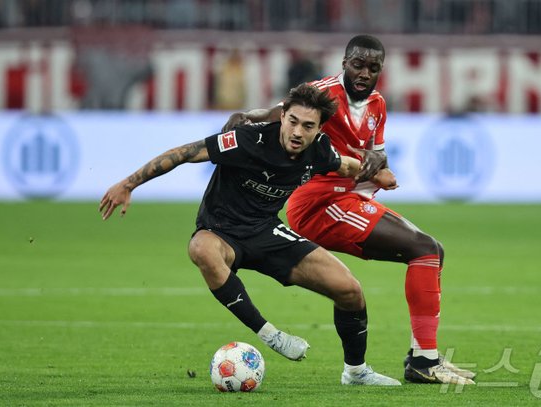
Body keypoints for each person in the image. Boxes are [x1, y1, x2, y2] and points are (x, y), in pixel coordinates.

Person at [99, 84, 401, 386]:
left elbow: (345, 166)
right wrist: (128, 184)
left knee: (349, 289)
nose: (298, 132)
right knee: (200, 248)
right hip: (221, 232)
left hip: (266, 232)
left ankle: (356, 372)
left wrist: (376, 174)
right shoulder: (247, 140)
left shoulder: (320, 149)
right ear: (282, 116)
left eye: (308, 126)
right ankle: (270, 335)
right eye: (293, 121)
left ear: (320, 129)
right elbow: (184, 153)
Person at [222, 35, 476, 385]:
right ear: (344, 63)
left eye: (373, 68)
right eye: (358, 65)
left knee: (432, 252)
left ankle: (422, 357)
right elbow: (275, 114)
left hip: (349, 199)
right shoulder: (323, 94)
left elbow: (378, 154)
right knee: (425, 249)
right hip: (319, 204)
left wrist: (377, 164)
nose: (364, 73)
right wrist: (244, 116)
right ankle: (424, 362)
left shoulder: (377, 104)